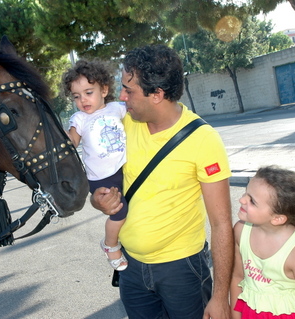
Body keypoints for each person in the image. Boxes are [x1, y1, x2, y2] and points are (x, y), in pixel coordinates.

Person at [91, 44, 234, 318]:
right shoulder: (120, 125)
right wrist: (99, 201)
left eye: (128, 91)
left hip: (183, 270)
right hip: (130, 267)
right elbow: (100, 182)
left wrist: (219, 297)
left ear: (157, 94)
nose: (121, 97)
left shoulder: (203, 139)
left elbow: (221, 223)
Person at [231, 165, 295, 318]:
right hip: (250, 312)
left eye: (252, 201)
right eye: (246, 193)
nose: (242, 199)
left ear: (277, 218)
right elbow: (237, 277)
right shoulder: (241, 231)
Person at [62, 59, 129, 271]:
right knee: (119, 212)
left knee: (132, 209)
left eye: (88, 92)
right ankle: (110, 245)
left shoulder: (116, 108)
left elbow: (137, 112)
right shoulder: (80, 118)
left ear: (104, 89)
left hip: (123, 169)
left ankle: (125, 244)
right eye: (76, 96)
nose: (83, 100)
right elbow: (71, 142)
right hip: (101, 177)